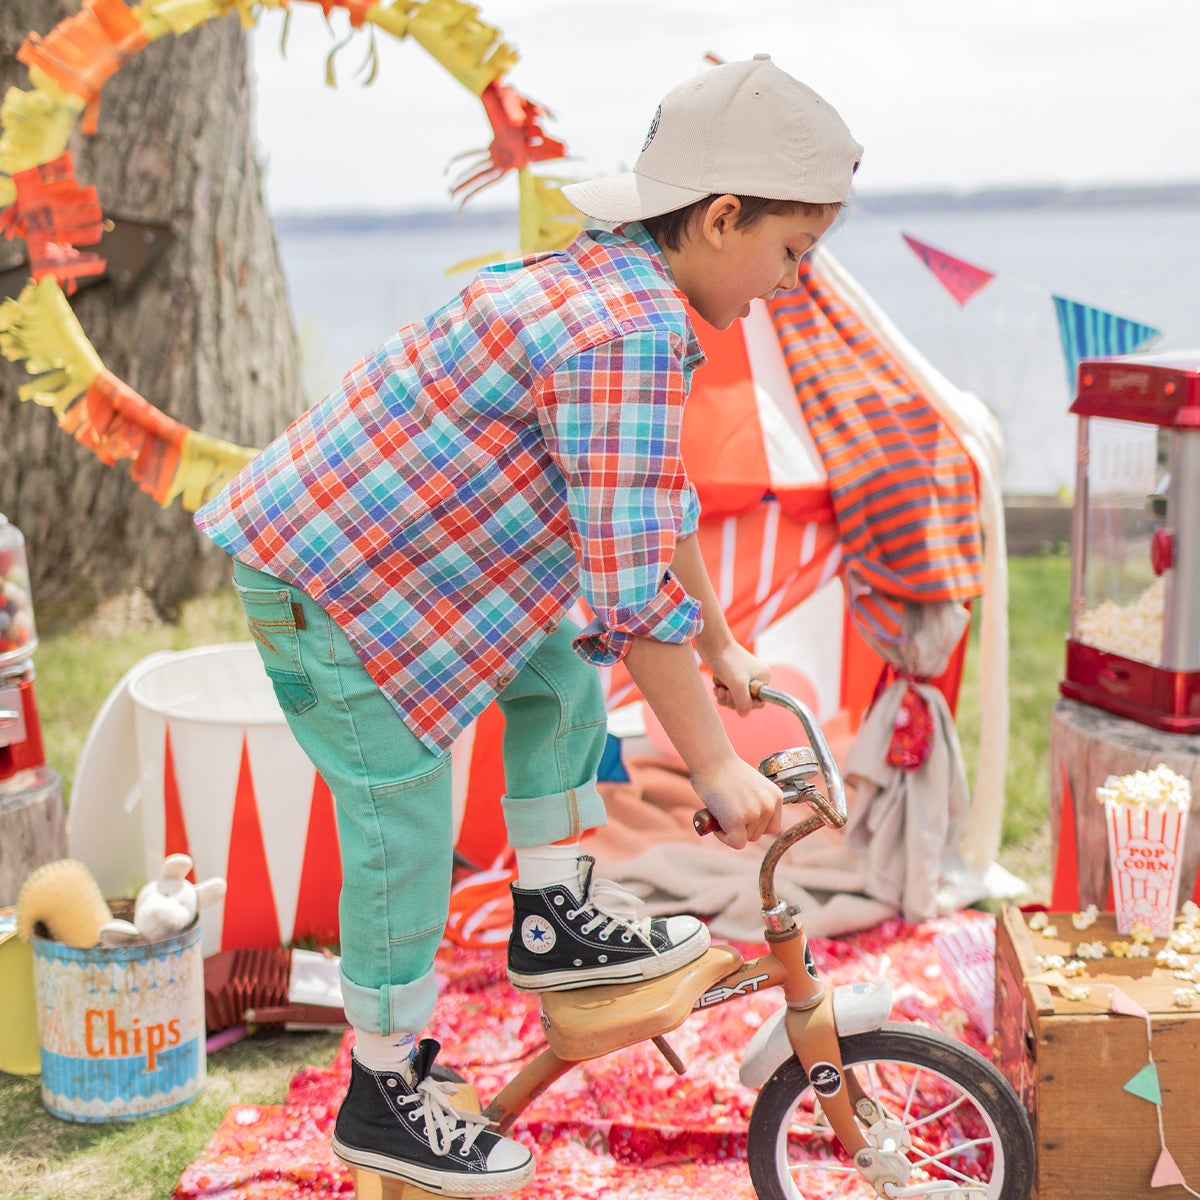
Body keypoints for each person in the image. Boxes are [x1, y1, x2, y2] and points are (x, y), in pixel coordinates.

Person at [195, 53, 861, 1198]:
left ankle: (553, 918)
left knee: (558, 671)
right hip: (329, 582)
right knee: (401, 818)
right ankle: (384, 1088)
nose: (794, 282)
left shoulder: (616, 285)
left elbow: (651, 506)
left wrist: (722, 644)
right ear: (720, 217)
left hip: (397, 568)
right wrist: (715, 764)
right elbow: (627, 596)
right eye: (791, 253)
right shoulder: (628, 334)